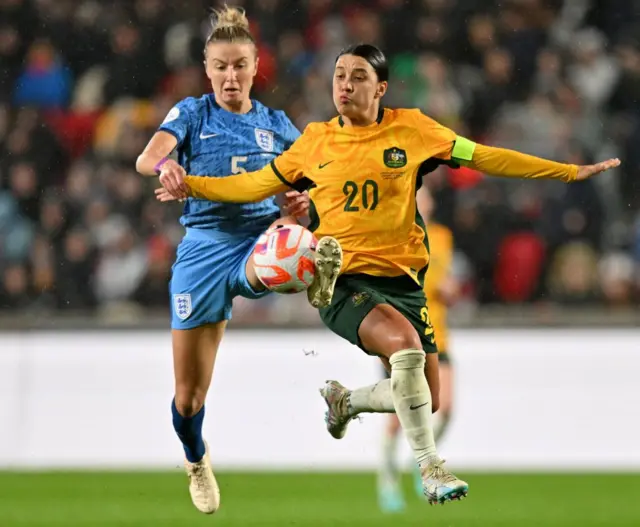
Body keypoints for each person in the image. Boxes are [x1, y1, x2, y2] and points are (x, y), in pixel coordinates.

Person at [156, 43, 620, 505]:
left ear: (380, 88)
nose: (344, 85)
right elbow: (251, 184)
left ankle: (347, 402)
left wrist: (566, 172)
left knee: (425, 397)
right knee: (404, 347)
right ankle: (431, 468)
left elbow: (483, 156)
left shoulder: (414, 130)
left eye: (357, 76)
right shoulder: (315, 140)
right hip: (343, 280)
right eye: (339, 75)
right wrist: (189, 184)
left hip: (404, 284)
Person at [135, 7, 341, 515]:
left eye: (240, 66)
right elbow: (147, 157)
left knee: (290, 244)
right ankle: (196, 458)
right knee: (188, 399)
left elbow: (313, 185)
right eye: (221, 66)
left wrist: (300, 205)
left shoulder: (277, 125)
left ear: (255, 67)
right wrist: (168, 168)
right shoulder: (192, 114)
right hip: (204, 248)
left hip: (258, 238)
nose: (231, 76)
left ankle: (311, 271)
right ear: (208, 69)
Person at [377, 184, 460, 513]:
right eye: (420, 195)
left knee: (446, 407)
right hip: (404, 337)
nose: (428, 199)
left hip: (438, 335)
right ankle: (387, 479)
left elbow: (443, 280)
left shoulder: (442, 236)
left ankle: (421, 460)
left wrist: (449, 288)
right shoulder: (393, 237)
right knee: (401, 416)